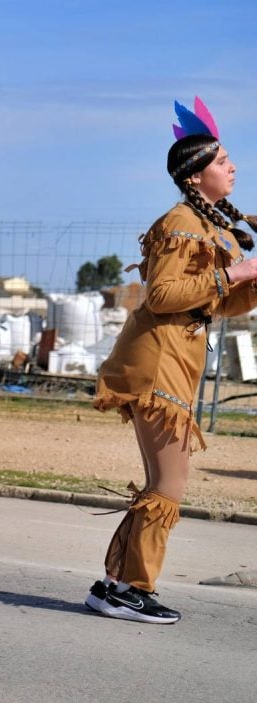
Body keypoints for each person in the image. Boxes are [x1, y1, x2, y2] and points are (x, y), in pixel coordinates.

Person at [85, 99, 257, 624]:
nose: (232, 168)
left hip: (173, 362)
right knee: (168, 487)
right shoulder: (180, 223)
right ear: (195, 175)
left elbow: (209, 302)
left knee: (163, 485)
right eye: (223, 161)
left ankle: (116, 585)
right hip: (157, 365)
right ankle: (130, 587)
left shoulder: (205, 226)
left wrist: (248, 283)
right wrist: (238, 274)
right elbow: (160, 295)